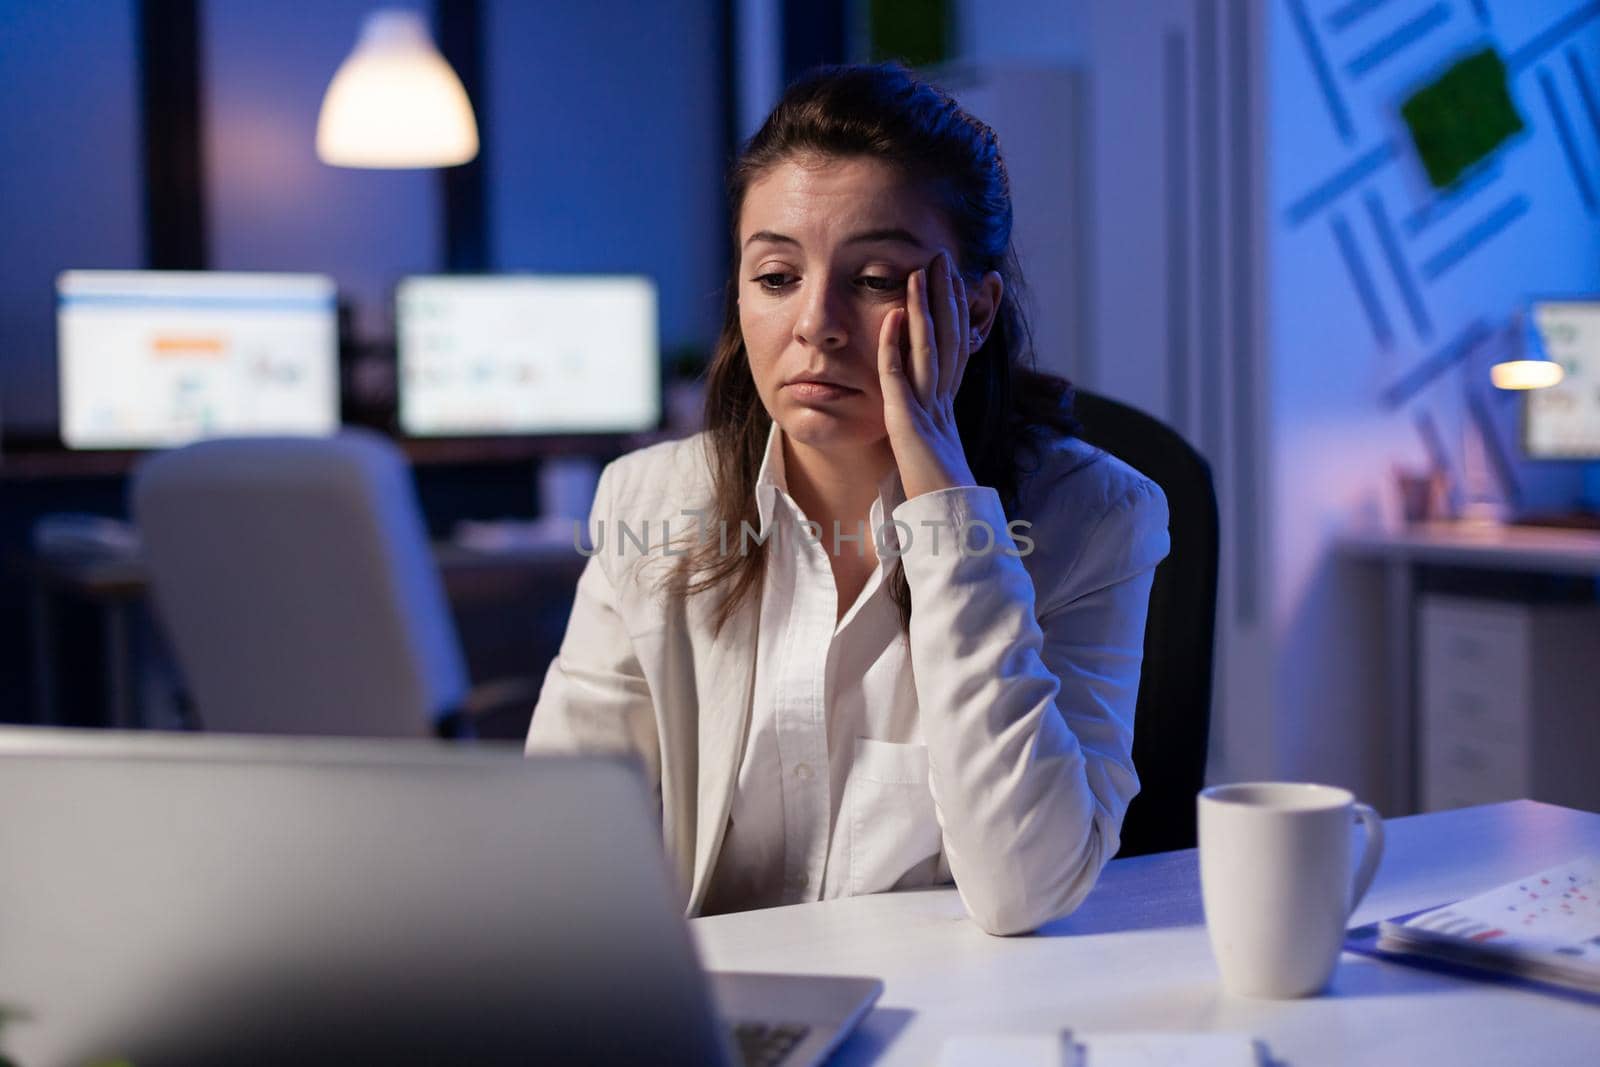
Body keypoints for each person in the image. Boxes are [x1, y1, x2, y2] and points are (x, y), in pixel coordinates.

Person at [527, 63, 1169, 936]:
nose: (815, 323)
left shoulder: (1094, 521)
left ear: (975, 313)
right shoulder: (647, 504)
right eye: (777, 276)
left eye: (872, 279)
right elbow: (555, 858)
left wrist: (945, 499)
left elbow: (1028, 885)